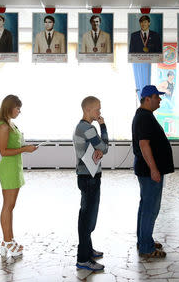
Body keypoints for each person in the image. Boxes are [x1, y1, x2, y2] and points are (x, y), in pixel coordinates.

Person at [132, 85, 174, 258]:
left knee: (146, 206)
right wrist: (154, 169)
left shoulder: (145, 116)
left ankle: (144, 240)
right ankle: (146, 248)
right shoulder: (144, 117)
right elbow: (144, 144)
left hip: (147, 170)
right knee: (150, 208)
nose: (160, 100)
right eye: (157, 97)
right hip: (149, 171)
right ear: (147, 98)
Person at [0, 95, 37, 260]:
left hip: (15, 167)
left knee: (11, 206)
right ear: (9, 107)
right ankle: (6, 240)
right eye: (17, 108)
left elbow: (15, 145)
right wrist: (25, 150)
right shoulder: (4, 126)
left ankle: (9, 239)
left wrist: (26, 147)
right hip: (8, 168)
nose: (19, 111)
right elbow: (3, 151)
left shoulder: (11, 124)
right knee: (7, 206)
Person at [73, 96, 109, 271]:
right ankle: (83, 258)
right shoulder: (87, 128)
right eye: (97, 109)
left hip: (89, 175)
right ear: (88, 110)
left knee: (88, 215)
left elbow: (99, 149)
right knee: (87, 218)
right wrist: (103, 126)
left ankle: (88, 249)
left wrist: (99, 149)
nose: (99, 112)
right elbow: (104, 147)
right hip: (89, 178)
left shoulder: (85, 127)